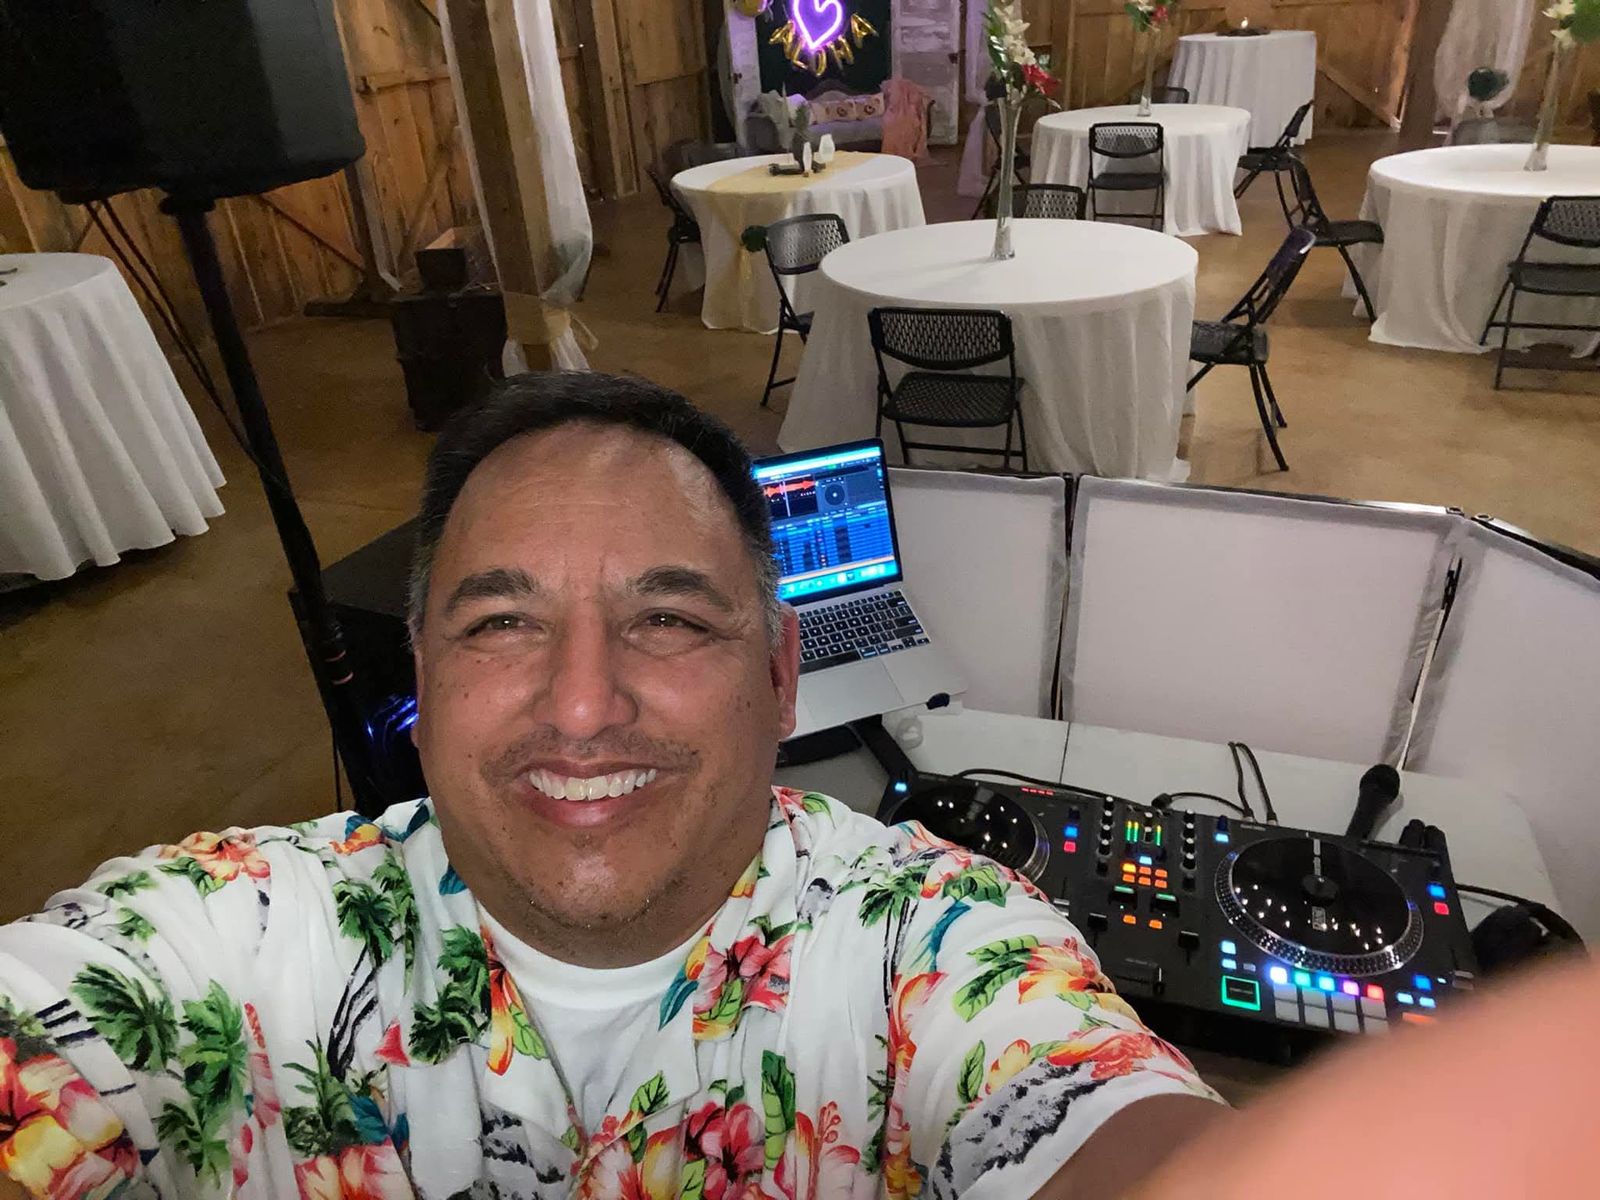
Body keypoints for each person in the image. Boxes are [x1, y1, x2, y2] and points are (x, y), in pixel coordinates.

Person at [0, 372, 1222, 1200]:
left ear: (781, 678)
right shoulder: (234, 937)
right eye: (501, 624)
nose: (582, 706)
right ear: (422, 681)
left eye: (669, 618)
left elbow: (1096, 1113)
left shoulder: (944, 942)